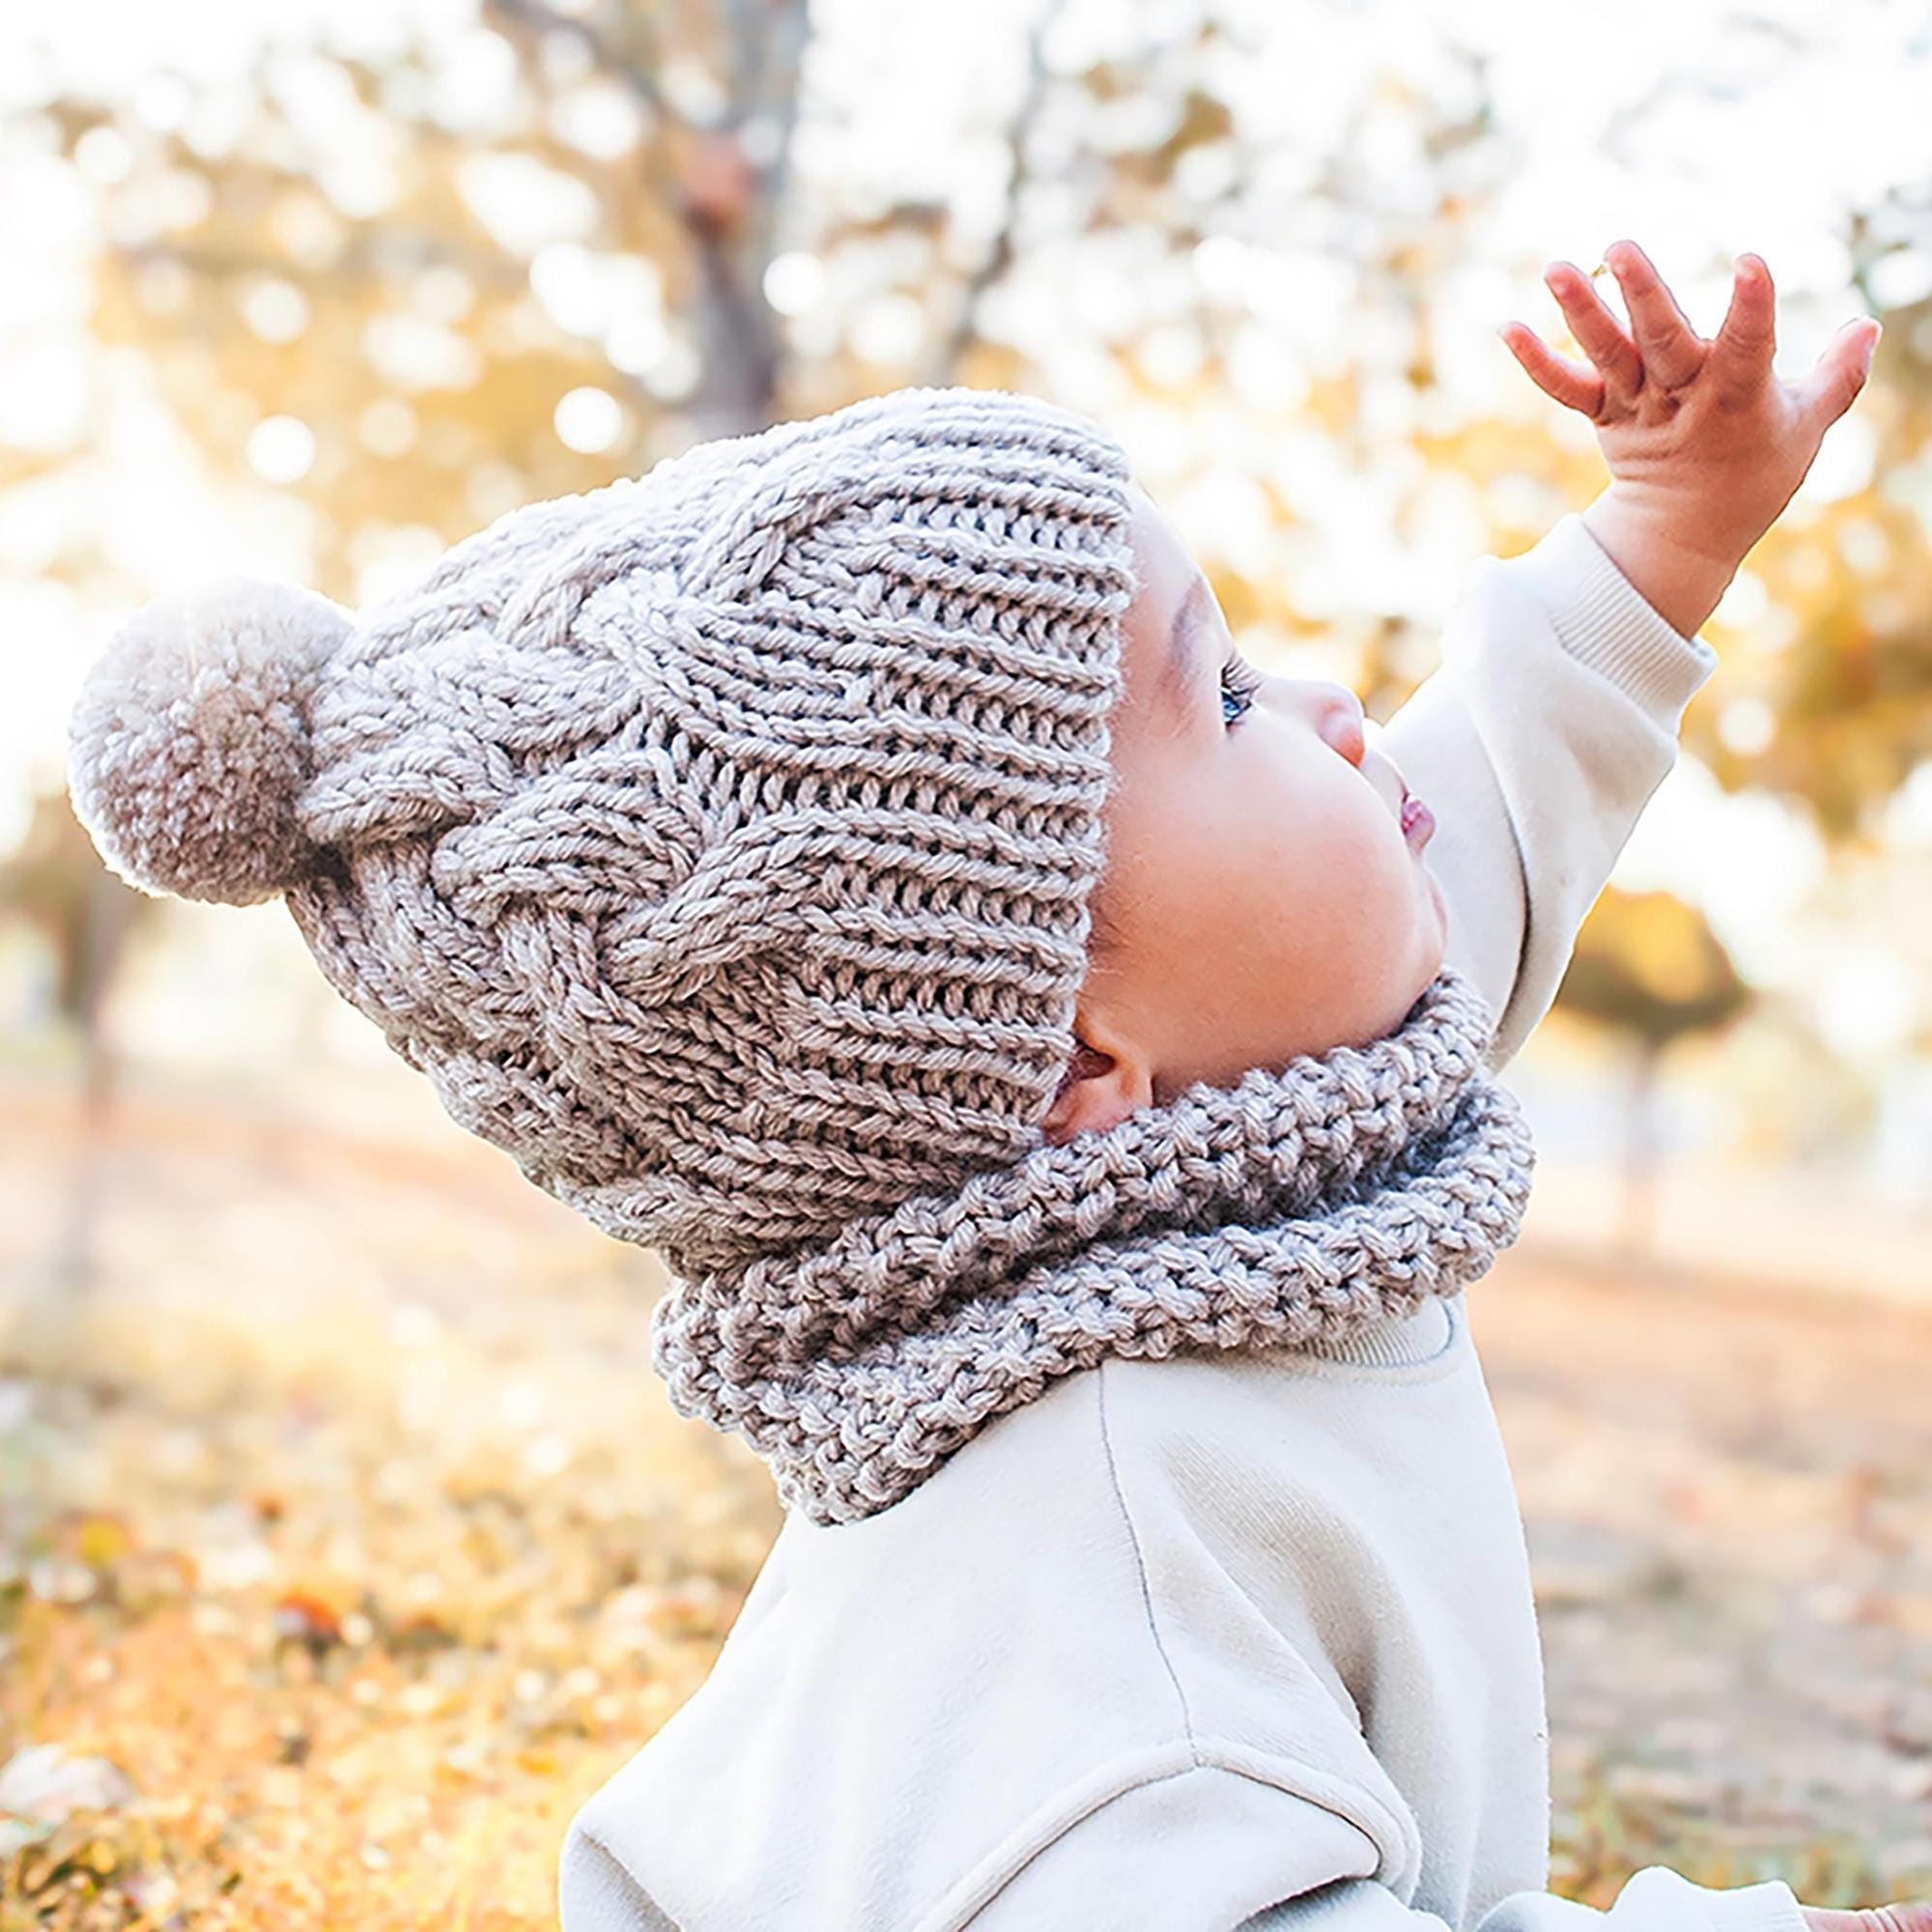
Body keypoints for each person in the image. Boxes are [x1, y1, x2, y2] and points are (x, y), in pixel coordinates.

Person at [64, 240, 1918, 1932]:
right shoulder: (1116, 1628)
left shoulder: (1223, 1159)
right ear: (1074, 1059)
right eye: (1235, 701)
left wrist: (1668, 529)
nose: (1347, 710)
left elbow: (1461, 851)